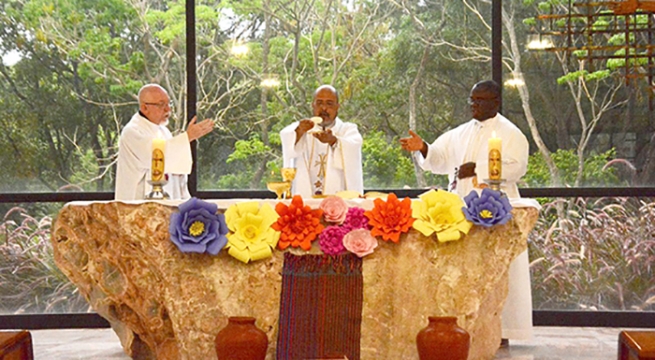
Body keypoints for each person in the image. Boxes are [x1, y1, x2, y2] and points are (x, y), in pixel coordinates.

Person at [400, 80, 532, 344]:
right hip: (461, 210)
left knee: (495, 270)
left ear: (495, 102)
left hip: (496, 210)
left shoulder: (511, 133)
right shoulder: (460, 132)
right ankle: (461, 325)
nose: (474, 105)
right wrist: (423, 147)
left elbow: (518, 167)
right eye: (472, 99)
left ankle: (501, 330)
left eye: (480, 100)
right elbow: (438, 159)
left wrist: (479, 168)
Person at [115, 84, 214, 200]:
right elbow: (155, 155)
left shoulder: (164, 132)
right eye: (161, 104)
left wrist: (185, 201)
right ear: (144, 108)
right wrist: (188, 137)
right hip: (138, 206)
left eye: (168, 104)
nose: (168, 109)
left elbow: (175, 170)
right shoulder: (132, 132)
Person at [280, 85, 363, 197]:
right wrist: (299, 132)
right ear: (312, 105)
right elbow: (286, 137)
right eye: (319, 103)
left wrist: (334, 141)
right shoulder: (302, 128)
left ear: (337, 106)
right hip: (305, 201)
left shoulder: (347, 130)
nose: (324, 108)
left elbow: (353, 148)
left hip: (339, 202)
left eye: (329, 103)